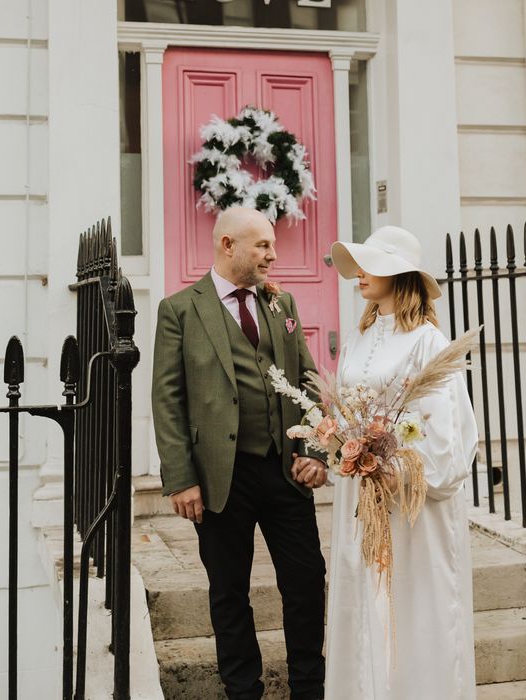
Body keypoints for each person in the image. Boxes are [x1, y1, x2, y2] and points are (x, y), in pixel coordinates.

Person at [151, 206, 328, 700]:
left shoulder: (282, 304)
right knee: (229, 592)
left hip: (286, 470)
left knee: (307, 582)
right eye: (263, 246)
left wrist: (316, 450)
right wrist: (180, 478)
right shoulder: (180, 310)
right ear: (228, 246)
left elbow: (309, 383)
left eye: (271, 244)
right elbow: (167, 399)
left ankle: (309, 689)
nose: (274, 254)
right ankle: (242, 691)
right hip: (218, 477)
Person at [324, 226, 479, 700]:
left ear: (399, 274)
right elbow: (345, 404)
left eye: (371, 264)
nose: (359, 274)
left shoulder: (428, 341)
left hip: (410, 501)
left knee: (411, 606)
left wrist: (394, 470)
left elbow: (447, 432)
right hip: (360, 495)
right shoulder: (360, 333)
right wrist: (341, 442)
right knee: (363, 595)